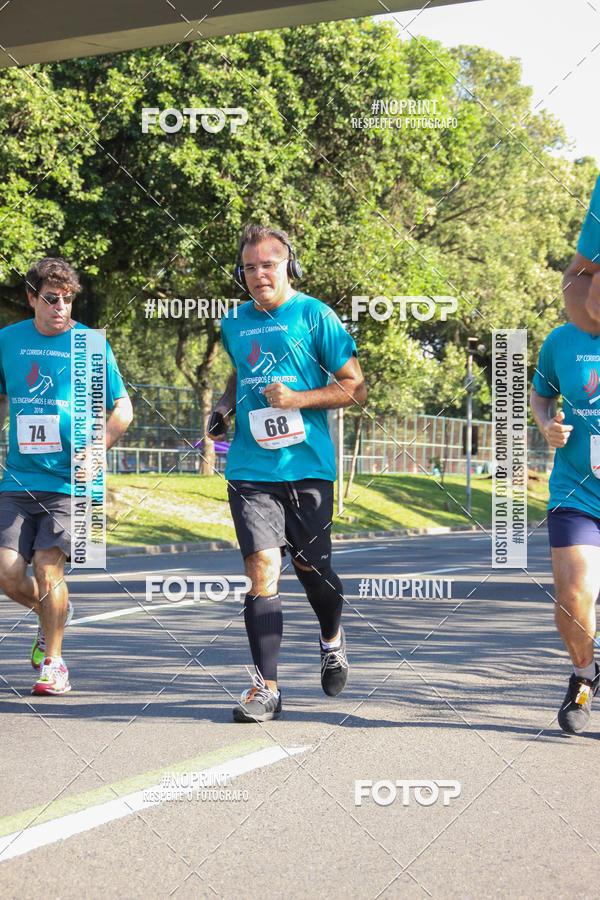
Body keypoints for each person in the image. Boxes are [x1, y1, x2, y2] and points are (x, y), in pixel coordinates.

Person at [208, 224, 366, 722]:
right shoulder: (234, 322)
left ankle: (332, 637)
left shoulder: (315, 315)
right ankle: (266, 690)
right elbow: (241, 369)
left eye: (268, 264)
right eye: (250, 267)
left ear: (288, 266)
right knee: (262, 569)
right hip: (251, 467)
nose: (259, 275)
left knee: (312, 572)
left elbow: (355, 388)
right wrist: (225, 404)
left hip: (307, 467)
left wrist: (299, 399)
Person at [0, 258, 133, 695]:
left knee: (46, 569)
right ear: (31, 298)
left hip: (73, 483)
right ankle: (54, 614)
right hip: (19, 479)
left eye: (69, 299)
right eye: (52, 298)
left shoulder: (90, 344)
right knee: (6, 573)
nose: (61, 307)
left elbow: (122, 409)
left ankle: (54, 664)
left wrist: (98, 449)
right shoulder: (8, 340)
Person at [528, 176, 600, 733]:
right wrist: (546, 425)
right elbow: (541, 392)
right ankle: (582, 677)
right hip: (576, 489)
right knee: (574, 594)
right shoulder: (562, 340)